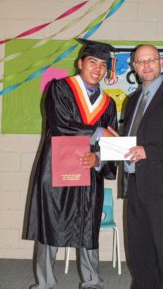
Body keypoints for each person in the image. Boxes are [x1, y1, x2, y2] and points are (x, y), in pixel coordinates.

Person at [25, 38, 118, 289]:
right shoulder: (60, 88)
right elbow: (60, 125)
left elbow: (112, 143)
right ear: (80, 63)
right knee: (51, 223)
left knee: (89, 225)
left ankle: (92, 280)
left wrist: (98, 159)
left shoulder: (108, 103)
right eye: (92, 62)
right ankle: (45, 283)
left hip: (89, 173)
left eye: (102, 65)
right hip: (57, 169)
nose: (97, 69)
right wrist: (98, 133)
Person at [110, 44, 163, 289]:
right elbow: (134, 141)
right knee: (139, 250)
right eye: (141, 61)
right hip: (135, 185)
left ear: (160, 63)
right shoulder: (133, 99)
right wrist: (117, 144)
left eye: (151, 60)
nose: (146, 65)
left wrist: (148, 151)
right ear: (134, 67)